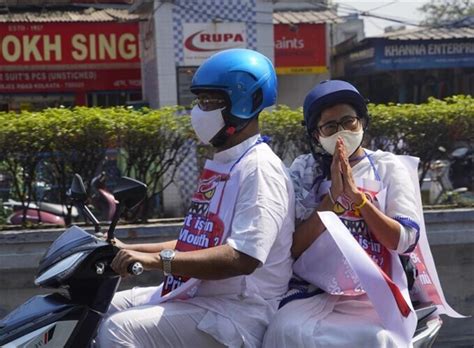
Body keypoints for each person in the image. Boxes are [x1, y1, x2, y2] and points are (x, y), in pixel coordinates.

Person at [96, 48, 295, 347]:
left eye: (209, 101)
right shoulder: (227, 164)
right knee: (100, 308)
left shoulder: (260, 170)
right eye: (199, 101)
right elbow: (196, 244)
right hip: (200, 295)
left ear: (244, 103)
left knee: (119, 329)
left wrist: (154, 262)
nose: (199, 111)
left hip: (238, 313)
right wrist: (128, 248)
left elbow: (242, 258)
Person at [263, 80, 421, 347]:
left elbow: (404, 240)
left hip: (374, 295)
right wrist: (331, 203)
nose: (342, 132)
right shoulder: (304, 171)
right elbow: (291, 247)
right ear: (316, 135)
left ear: (362, 123)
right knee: (284, 331)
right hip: (313, 293)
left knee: (378, 339)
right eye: (330, 126)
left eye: (349, 122)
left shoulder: (387, 168)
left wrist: (357, 200)